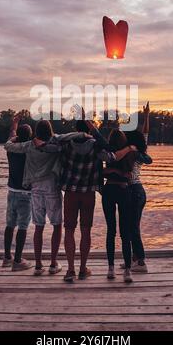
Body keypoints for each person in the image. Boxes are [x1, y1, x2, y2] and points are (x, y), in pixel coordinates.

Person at [41, 119, 146, 283]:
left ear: (75, 129)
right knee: (86, 230)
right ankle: (83, 269)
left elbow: (50, 142)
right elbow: (111, 157)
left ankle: (70, 270)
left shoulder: (66, 144)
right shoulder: (96, 145)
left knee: (69, 230)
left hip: (71, 192)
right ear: (89, 131)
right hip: (88, 192)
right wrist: (127, 149)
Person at [4, 116, 88, 276]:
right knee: (56, 225)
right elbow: (71, 135)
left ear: (36, 132)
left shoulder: (29, 145)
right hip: (51, 187)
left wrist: (14, 134)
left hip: (35, 189)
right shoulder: (55, 142)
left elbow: (7, 146)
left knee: (38, 227)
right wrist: (85, 135)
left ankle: (37, 265)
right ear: (50, 131)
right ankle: (53, 263)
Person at [102, 129, 152, 283]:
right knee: (126, 231)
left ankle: (119, 266)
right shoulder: (131, 152)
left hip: (119, 190)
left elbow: (100, 171)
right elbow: (146, 147)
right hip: (126, 190)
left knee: (117, 230)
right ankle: (130, 267)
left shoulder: (110, 152)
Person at [2, 120, 33, 272]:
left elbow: (11, 135)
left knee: (9, 225)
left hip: (12, 191)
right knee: (22, 226)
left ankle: (7, 257)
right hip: (26, 194)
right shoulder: (30, 150)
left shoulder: (11, 149)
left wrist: (14, 124)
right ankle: (18, 261)